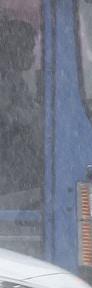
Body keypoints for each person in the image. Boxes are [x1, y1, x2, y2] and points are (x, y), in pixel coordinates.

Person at [0, 16, 42, 207]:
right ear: (15, 48)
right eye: (29, 48)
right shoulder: (5, 80)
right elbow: (5, 118)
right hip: (10, 173)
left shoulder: (16, 79)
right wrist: (33, 114)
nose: (33, 55)